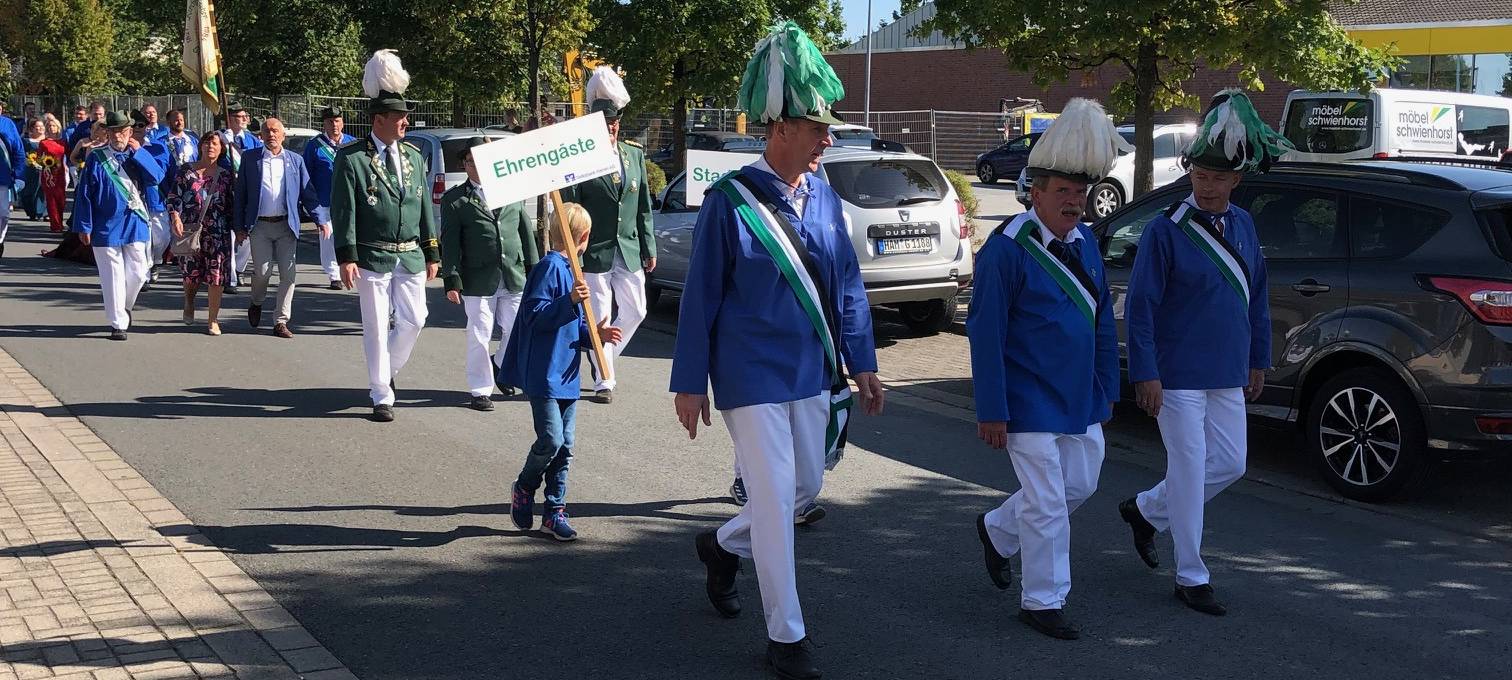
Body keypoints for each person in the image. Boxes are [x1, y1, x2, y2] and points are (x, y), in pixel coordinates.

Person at [672, 22, 884, 680]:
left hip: (810, 372)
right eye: (819, 127)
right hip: (749, 376)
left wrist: (864, 359)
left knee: (803, 488)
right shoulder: (729, 203)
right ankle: (787, 636)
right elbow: (700, 298)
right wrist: (689, 382)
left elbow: (846, 287)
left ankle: (720, 545)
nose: (829, 138)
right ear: (781, 127)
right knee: (772, 497)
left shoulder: (824, 196)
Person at [1117, 90, 1281, 617]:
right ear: (1190, 174)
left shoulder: (1245, 226)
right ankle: (1191, 574)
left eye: (1218, 179)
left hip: (1228, 368)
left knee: (1230, 464)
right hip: (1176, 373)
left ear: (1236, 180)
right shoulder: (1166, 230)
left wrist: (1259, 358)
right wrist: (1145, 372)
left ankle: (1146, 511)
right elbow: (1140, 306)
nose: (1207, 187)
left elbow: (1256, 296)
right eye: (1200, 177)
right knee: (1188, 467)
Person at [966, 98, 1123, 641]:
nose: (1074, 204)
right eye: (1063, 193)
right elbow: (984, 335)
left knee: (1080, 483)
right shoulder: (1007, 249)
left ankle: (997, 528)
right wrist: (992, 409)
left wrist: (1108, 387)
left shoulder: (1087, 246)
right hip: (1026, 398)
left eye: (1080, 194)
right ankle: (1043, 600)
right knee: (1050, 502)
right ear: (1035, 193)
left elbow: (1101, 323)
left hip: (1079, 396)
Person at [500, 202, 623, 540]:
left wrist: (596, 335)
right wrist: (567, 300)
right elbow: (533, 315)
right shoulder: (550, 268)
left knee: (566, 445)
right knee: (551, 439)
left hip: (568, 373)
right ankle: (525, 486)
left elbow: (577, 325)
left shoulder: (574, 271)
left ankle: (554, 511)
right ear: (583, 236)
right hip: (544, 372)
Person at [331, 50, 440, 423]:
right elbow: (343, 210)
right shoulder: (353, 159)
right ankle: (381, 393)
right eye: (399, 117)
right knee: (376, 326)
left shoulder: (414, 156)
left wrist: (432, 251)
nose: (406, 122)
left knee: (416, 319)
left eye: (406, 116)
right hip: (372, 255)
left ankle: (386, 371)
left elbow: (423, 204)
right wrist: (345, 256)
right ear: (379, 119)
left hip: (409, 253)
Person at [559, 66, 654, 404]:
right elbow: (572, 208)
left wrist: (648, 246)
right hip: (594, 250)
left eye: (614, 122)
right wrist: (573, 250)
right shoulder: (583, 158)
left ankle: (603, 354)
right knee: (600, 311)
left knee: (637, 310)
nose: (611, 127)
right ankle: (604, 379)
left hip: (627, 247)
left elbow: (642, 205)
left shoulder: (634, 155)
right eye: (604, 123)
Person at [440, 138, 538, 410]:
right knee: (479, 333)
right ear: (464, 165)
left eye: (483, 160)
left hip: (513, 274)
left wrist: (534, 269)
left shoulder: (511, 191)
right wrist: (452, 279)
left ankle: (500, 363)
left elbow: (525, 233)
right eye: (472, 162)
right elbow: (449, 243)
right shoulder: (456, 199)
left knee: (518, 329)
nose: (478, 167)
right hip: (477, 279)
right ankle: (480, 389)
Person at [72, 111, 165, 341]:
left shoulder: (138, 154)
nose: (117, 135)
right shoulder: (97, 157)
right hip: (105, 224)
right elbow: (84, 193)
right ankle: (118, 323)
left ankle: (123, 307)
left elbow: (156, 178)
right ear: (107, 132)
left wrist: (139, 153)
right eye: (113, 131)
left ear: (130, 132)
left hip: (135, 221)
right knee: (112, 275)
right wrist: (84, 225)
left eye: (122, 131)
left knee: (139, 272)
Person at [233, 117, 324, 339]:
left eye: (275, 131)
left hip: (286, 226)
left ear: (283, 136)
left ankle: (280, 321)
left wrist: (321, 219)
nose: (271, 135)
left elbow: (308, 193)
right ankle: (256, 302)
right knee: (262, 273)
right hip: (260, 226)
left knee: (288, 274)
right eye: (267, 131)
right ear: (260, 135)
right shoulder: (250, 159)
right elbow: (241, 194)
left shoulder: (295, 160)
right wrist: (239, 226)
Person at [167, 133, 237, 335]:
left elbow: (233, 203)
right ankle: (189, 301)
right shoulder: (186, 171)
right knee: (192, 275)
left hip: (218, 232)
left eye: (215, 143)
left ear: (221, 148)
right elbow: (173, 196)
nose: (210, 146)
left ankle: (212, 319)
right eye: (206, 143)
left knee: (217, 277)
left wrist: (239, 229)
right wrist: (175, 217)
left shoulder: (226, 174)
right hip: (190, 230)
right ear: (200, 146)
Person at [302, 105, 356, 290]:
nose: (334, 125)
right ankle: (334, 275)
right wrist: (310, 202)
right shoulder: (314, 146)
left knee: (350, 235)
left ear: (343, 122)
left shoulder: (351, 143)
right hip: (324, 201)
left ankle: (352, 265)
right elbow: (307, 175)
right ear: (324, 123)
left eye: (337, 121)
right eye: (330, 121)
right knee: (328, 237)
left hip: (349, 200)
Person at [219, 103, 263, 292]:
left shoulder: (252, 140)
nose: (245, 119)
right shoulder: (219, 138)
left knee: (245, 233)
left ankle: (240, 268)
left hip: (246, 192)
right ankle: (230, 275)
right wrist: (223, 145)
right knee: (228, 234)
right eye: (241, 116)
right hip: (225, 191)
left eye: (245, 116)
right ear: (230, 118)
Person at [130, 110, 173, 288]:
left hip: (155, 198)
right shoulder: (119, 148)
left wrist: (139, 151)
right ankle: (144, 273)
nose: (136, 129)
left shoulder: (158, 147)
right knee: (141, 239)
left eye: (141, 125)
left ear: (147, 127)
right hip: (132, 201)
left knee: (160, 237)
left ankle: (155, 261)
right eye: (133, 126)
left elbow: (158, 174)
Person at [38, 115, 69, 234]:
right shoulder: (43, 142)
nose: (51, 128)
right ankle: (55, 225)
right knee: (51, 199)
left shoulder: (63, 142)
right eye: (49, 126)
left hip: (60, 173)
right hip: (48, 174)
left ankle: (60, 221)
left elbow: (70, 155)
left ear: (58, 128)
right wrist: (46, 163)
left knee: (61, 199)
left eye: (54, 126)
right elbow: (39, 158)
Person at [0, 102, 22, 259]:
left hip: (3, 178)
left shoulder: (7, 125)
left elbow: (18, 151)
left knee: (3, 214)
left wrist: (20, 176)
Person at [20, 118, 47, 221]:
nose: (40, 129)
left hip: (46, 168)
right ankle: (32, 211)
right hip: (31, 169)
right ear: (32, 129)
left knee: (44, 191)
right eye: (37, 127)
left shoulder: (48, 140)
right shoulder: (26, 141)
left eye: (42, 126)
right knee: (31, 191)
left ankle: (43, 212)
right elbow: (22, 154)